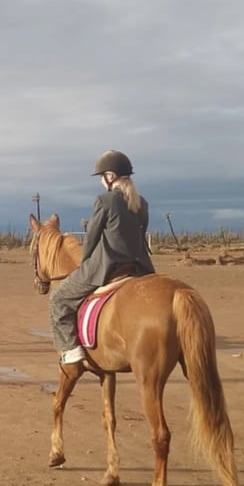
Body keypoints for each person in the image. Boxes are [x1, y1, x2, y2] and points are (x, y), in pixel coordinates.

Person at [50, 149, 155, 364]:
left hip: (108, 266)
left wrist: (84, 263)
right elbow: (140, 233)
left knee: (58, 299)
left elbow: (92, 237)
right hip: (141, 267)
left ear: (110, 176)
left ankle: (71, 350)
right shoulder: (142, 203)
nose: (100, 181)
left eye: (101, 176)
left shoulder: (105, 201)